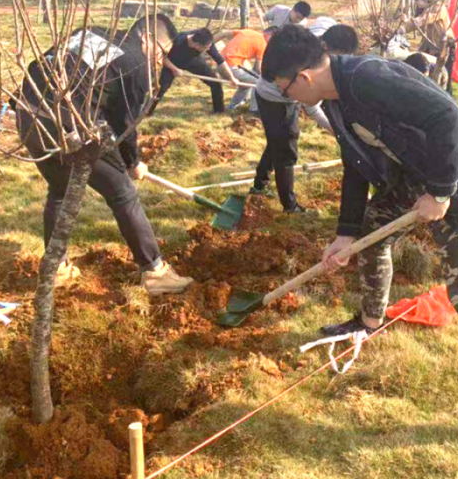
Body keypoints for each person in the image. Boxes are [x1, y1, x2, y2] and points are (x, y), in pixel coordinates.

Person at [262, 25, 458, 465]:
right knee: (371, 234)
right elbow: (355, 164)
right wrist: (345, 232)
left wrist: (442, 191)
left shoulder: (368, 78)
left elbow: (445, 115)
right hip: (415, 178)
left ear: (303, 77)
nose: (289, 99)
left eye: (285, 89)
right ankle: (369, 321)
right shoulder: (334, 98)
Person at [15, 29, 193, 295]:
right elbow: (125, 124)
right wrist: (133, 162)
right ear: (149, 37)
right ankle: (156, 273)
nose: (159, 60)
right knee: (123, 195)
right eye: (162, 52)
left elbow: (38, 66)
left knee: (60, 192)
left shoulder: (87, 32)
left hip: (29, 114)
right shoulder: (135, 61)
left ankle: (56, 269)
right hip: (72, 124)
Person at [251, 26, 332, 212]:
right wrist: (333, 129)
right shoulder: (285, 71)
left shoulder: (303, 57)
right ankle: (289, 205)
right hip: (272, 101)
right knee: (286, 149)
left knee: (276, 141)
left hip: (277, 97)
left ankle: (259, 184)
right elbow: (312, 107)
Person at [150, 27, 239, 116]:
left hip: (192, 60)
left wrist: (231, 78)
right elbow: (162, 58)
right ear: (196, 45)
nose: (208, 49)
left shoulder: (207, 41)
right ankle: (148, 111)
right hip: (171, 63)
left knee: (215, 82)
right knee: (161, 88)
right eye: (206, 48)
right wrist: (174, 69)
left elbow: (220, 61)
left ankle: (219, 111)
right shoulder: (177, 40)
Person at [212, 27, 270, 113]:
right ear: (269, 36)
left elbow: (224, 32)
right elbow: (258, 69)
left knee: (246, 84)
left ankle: (233, 106)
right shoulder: (263, 44)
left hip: (220, 64)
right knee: (259, 82)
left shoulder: (247, 32)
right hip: (232, 67)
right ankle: (254, 109)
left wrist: (209, 45)